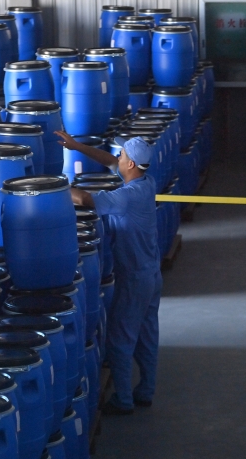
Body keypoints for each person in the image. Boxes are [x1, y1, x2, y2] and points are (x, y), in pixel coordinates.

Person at [58, 130, 163, 415]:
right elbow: (110, 162)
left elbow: (84, 200)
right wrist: (77, 146)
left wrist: (51, 186)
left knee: (120, 337)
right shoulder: (146, 181)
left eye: (123, 154)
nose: (118, 157)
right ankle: (146, 391)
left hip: (135, 277)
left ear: (130, 164)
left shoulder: (126, 196)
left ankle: (124, 400)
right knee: (147, 334)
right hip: (152, 273)